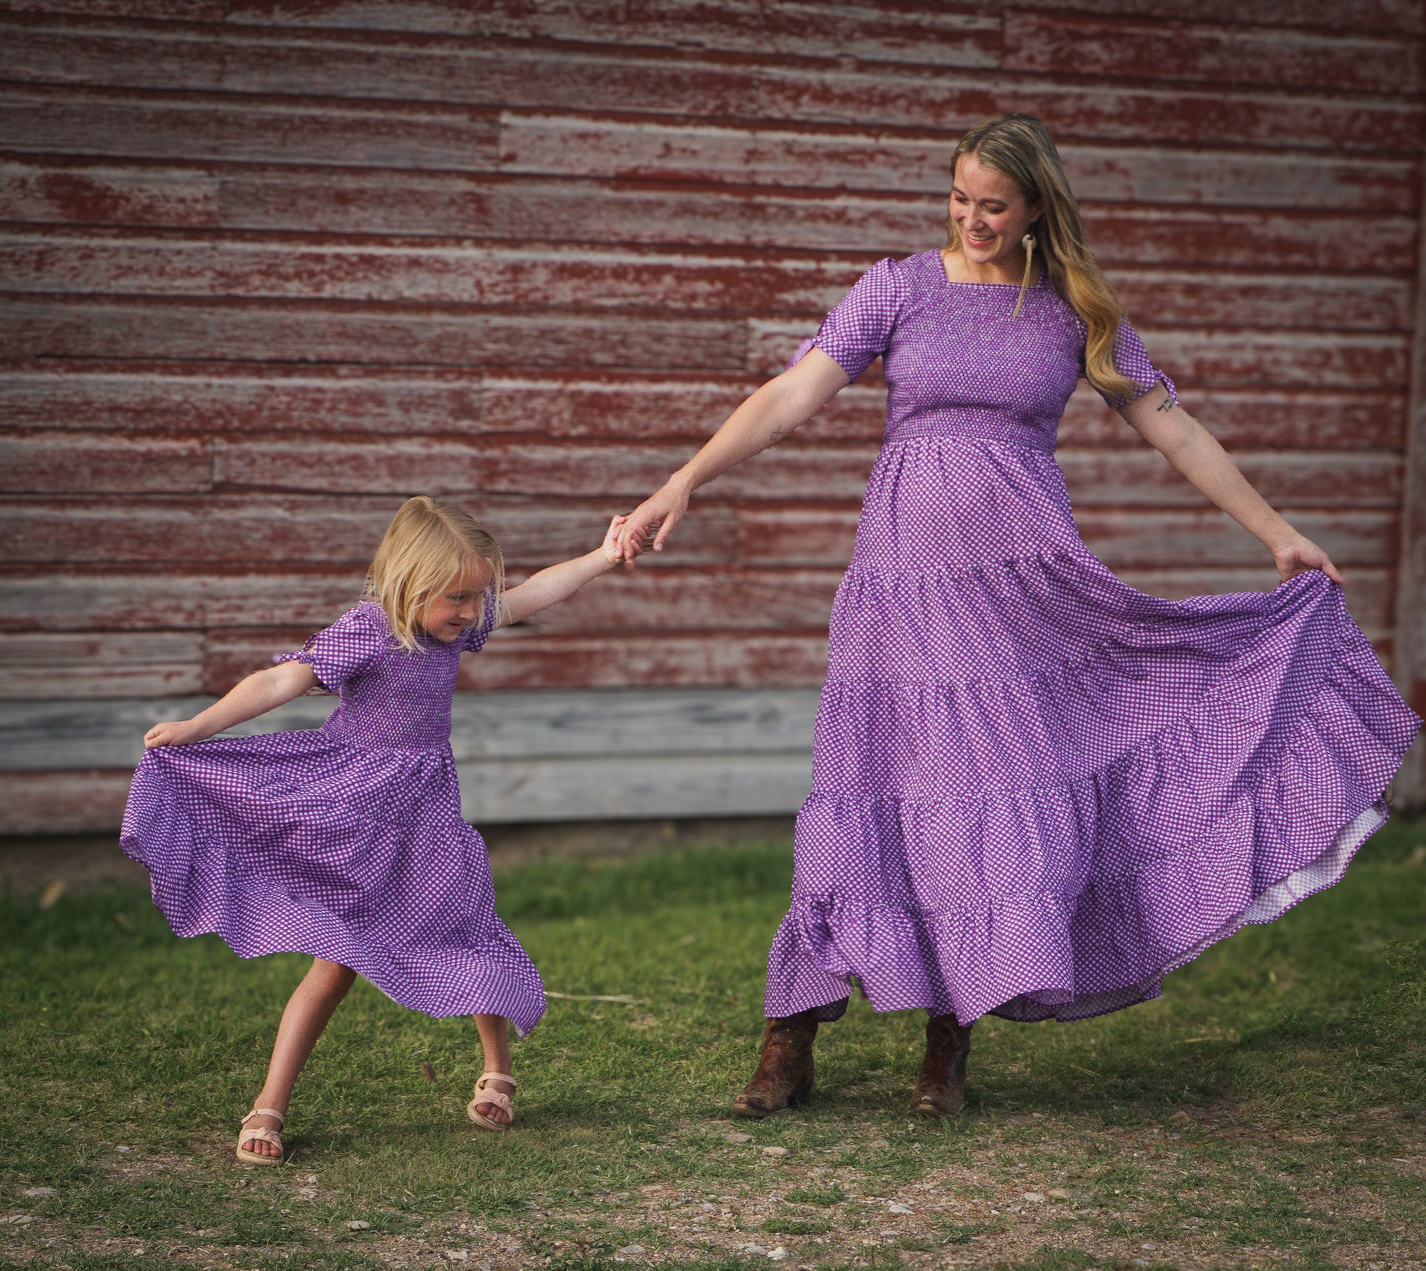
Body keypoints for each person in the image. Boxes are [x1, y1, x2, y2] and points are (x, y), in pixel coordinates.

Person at [618, 113, 1420, 1119]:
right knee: (861, 794)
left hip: (1019, 603)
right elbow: (790, 395)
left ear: (1035, 205)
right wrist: (681, 481)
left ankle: (946, 1042)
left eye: (991, 204)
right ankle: (790, 1033)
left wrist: (1275, 532)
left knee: (981, 810)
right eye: (957, 199)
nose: (970, 218)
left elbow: (1170, 426)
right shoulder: (898, 287)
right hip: (901, 595)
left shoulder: (1068, 311)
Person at [122, 496, 626, 1161]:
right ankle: (268, 1104)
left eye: (478, 596)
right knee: (333, 966)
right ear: (409, 584)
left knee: (465, 929)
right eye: (457, 597)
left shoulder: (457, 628)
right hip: (353, 822)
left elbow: (534, 594)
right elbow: (279, 680)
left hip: (426, 819)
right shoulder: (367, 630)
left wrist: (602, 556)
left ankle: (497, 1069)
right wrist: (195, 728)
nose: (472, 612)